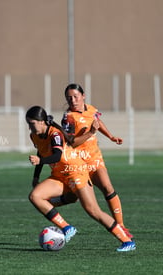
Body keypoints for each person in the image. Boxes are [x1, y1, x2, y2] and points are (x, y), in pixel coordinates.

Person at [26, 106, 136, 252]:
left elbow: (57, 155)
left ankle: (127, 241)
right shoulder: (34, 136)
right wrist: (36, 177)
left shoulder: (55, 134)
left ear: (41, 122)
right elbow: (41, 151)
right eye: (28, 124)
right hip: (59, 176)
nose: (30, 127)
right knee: (35, 196)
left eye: (32, 123)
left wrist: (40, 161)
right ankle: (67, 227)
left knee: (93, 211)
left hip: (76, 173)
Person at [61, 83, 133, 238]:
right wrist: (91, 132)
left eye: (75, 96)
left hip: (94, 158)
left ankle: (121, 226)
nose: (72, 100)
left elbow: (97, 122)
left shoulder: (91, 109)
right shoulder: (68, 118)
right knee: (72, 198)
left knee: (108, 187)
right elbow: (71, 143)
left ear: (83, 96)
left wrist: (111, 136)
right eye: (69, 98)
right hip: (79, 163)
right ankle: (47, 205)